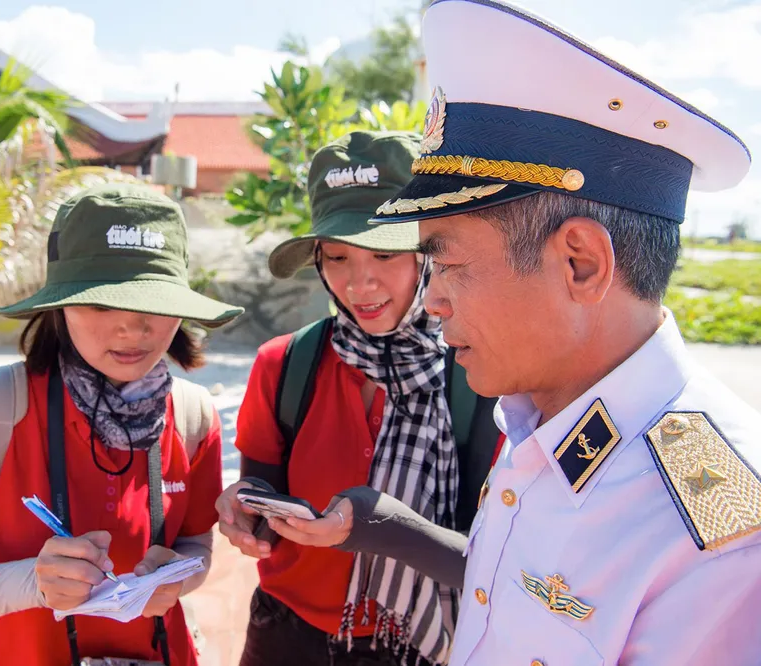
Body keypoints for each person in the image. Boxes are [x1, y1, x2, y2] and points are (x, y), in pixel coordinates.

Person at [267, 1, 761, 664]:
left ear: (580, 263)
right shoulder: (537, 418)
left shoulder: (723, 538)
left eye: (446, 263)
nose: (432, 301)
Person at [0, 183, 244, 666]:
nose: (133, 328)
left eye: (155, 303)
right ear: (61, 304)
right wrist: (36, 582)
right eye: (102, 303)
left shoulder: (193, 416)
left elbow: (196, 545)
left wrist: (177, 576)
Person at [216, 130, 502, 666]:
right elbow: (263, 493)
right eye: (337, 256)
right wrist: (245, 507)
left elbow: (497, 562)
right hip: (285, 633)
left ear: (429, 254)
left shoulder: (484, 376)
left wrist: (379, 526)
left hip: (420, 645)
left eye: (385, 252)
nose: (359, 283)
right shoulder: (285, 364)